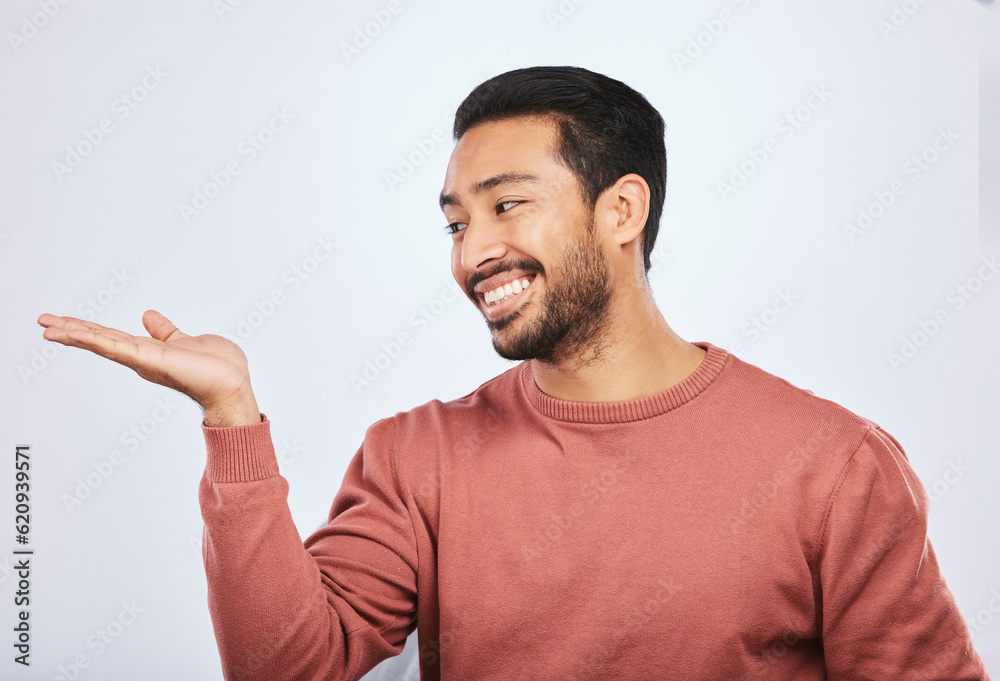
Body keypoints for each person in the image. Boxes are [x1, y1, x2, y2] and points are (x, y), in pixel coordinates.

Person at [38, 66, 989, 681]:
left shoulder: (835, 462)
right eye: (456, 222)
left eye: (507, 206)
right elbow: (288, 668)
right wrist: (232, 419)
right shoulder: (415, 454)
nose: (472, 254)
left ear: (621, 211)